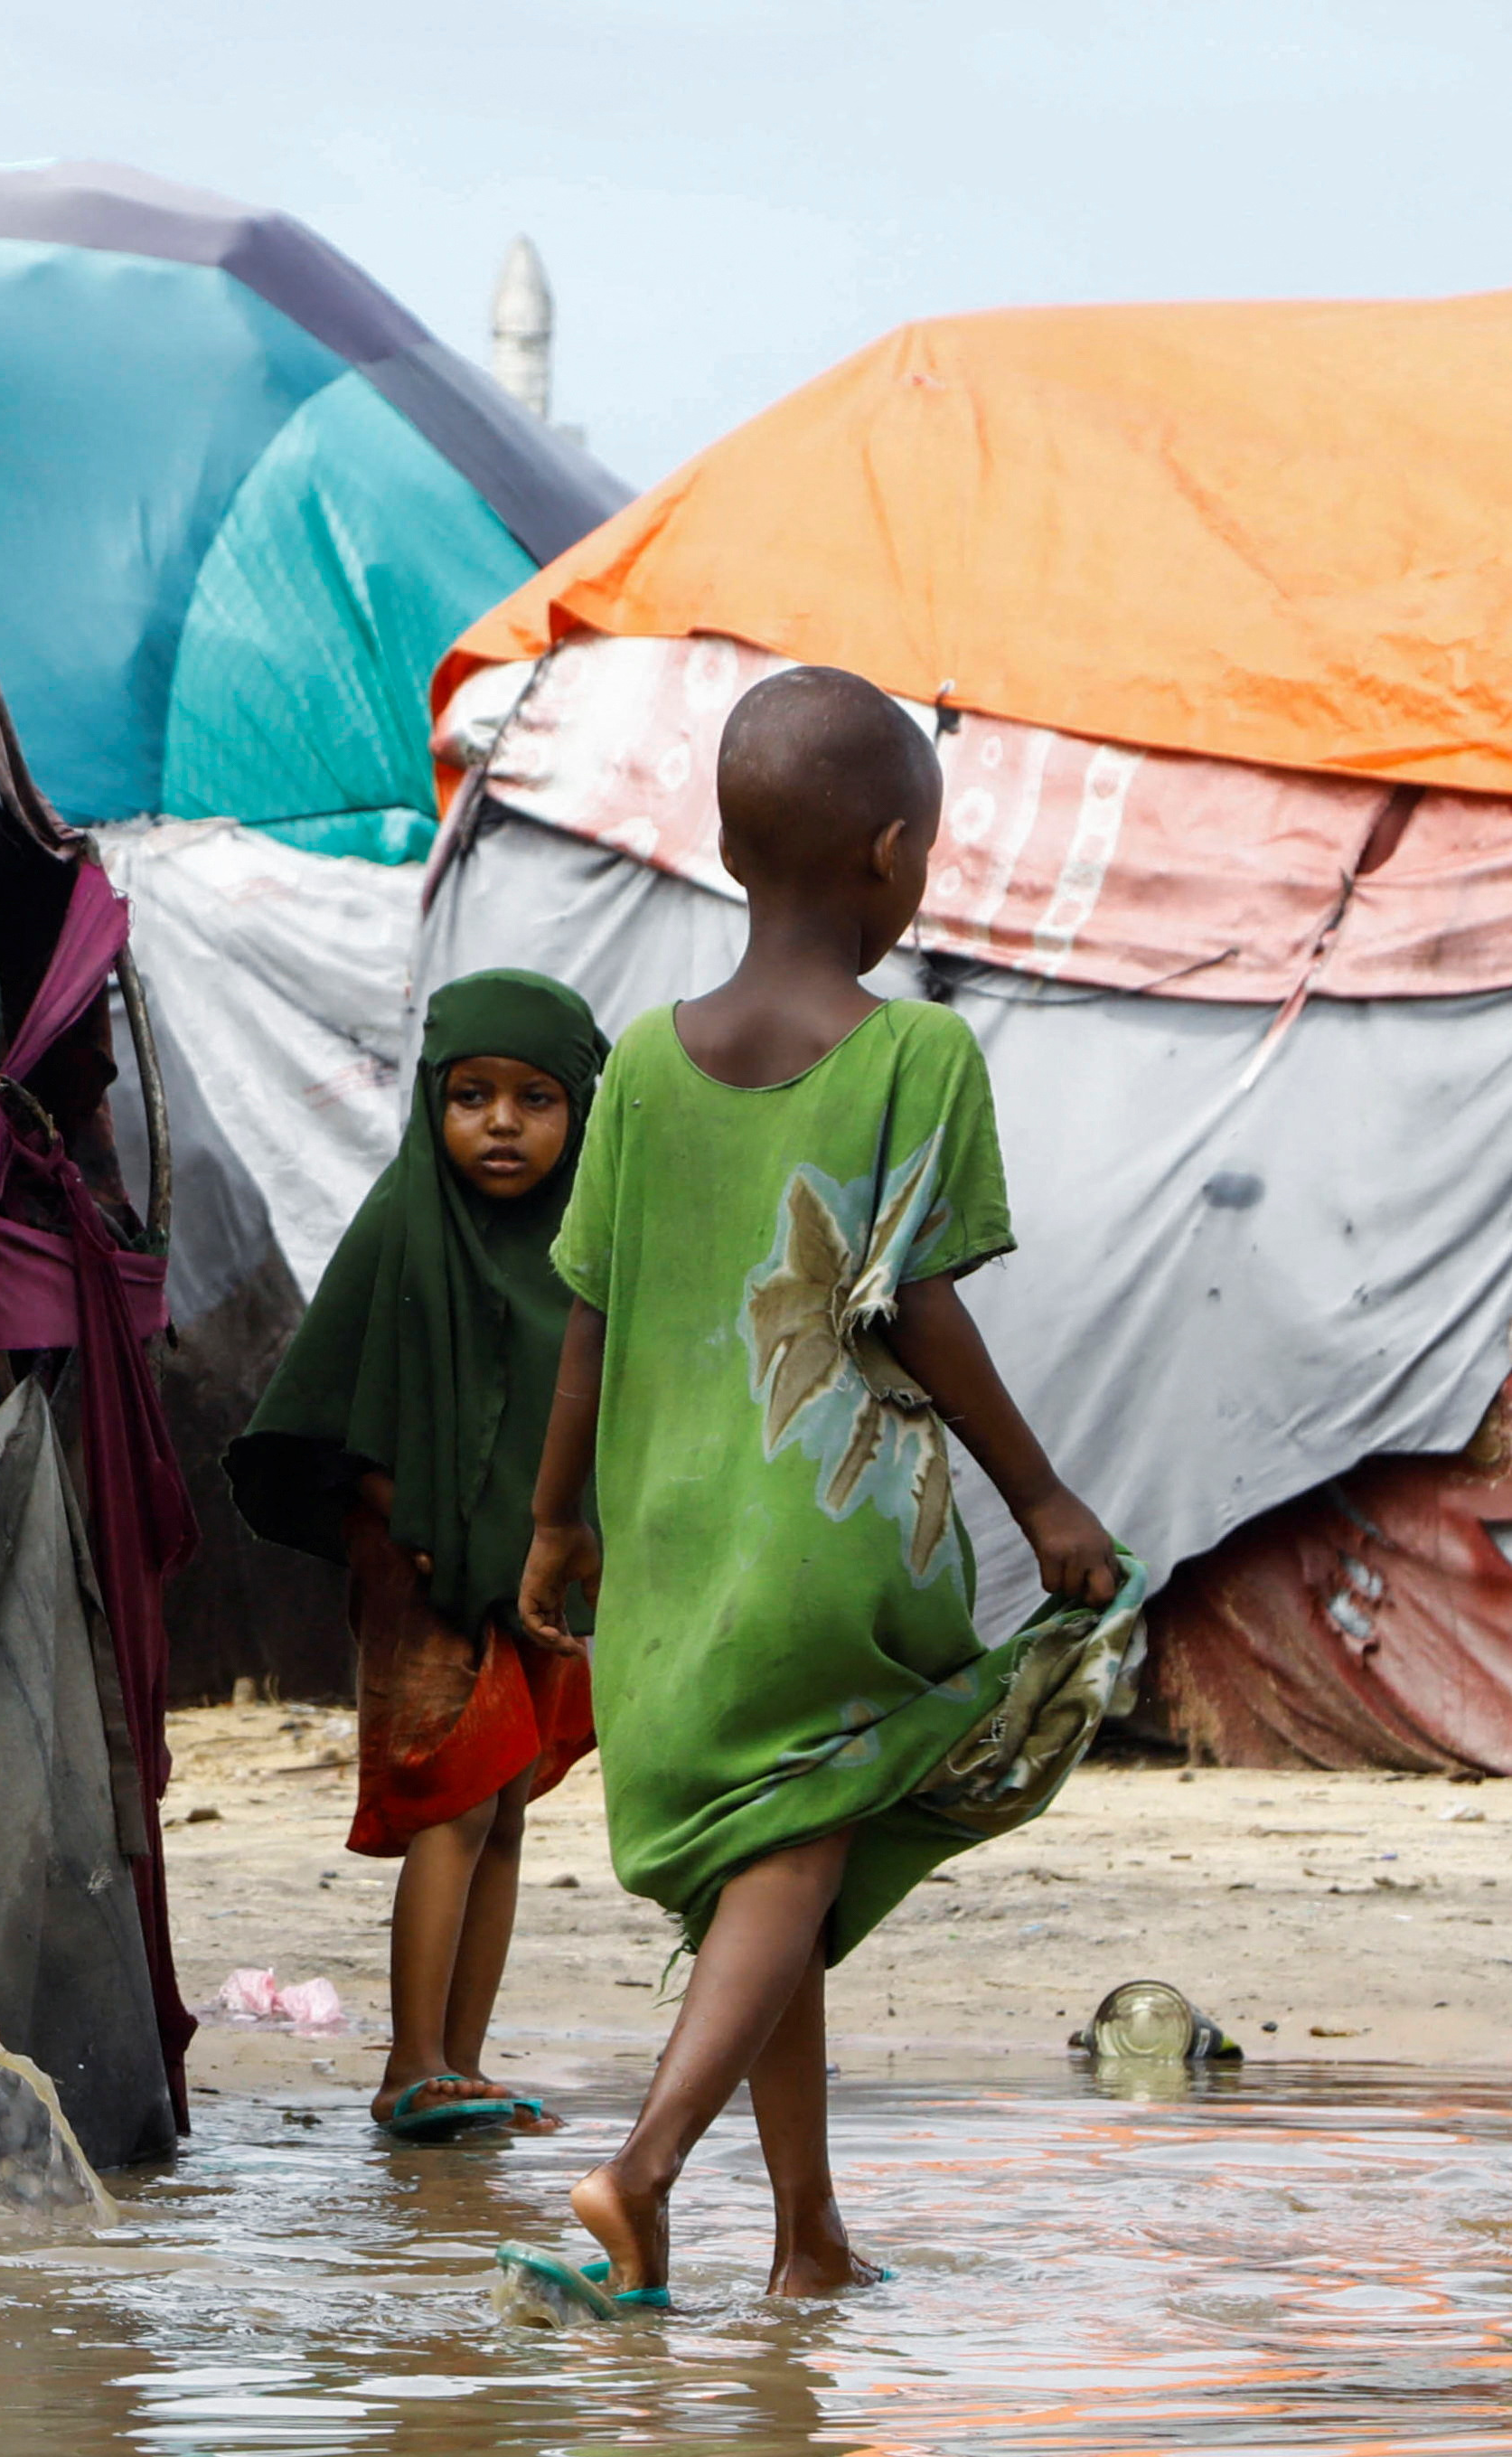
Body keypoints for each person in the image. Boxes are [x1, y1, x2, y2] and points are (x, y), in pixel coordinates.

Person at [508, 664, 1132, 2312]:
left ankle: (807, 2239)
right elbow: (919, 1303)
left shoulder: (635, 1067)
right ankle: (642, 2176)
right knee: (793, 1845)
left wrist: (557, 1520)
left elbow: (590, 1316)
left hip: (670, 1544)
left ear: (726, 850)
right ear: (891, 853)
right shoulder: (915, 1054)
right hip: (830, 1545)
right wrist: (1047, 1500)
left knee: (771, 1855)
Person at [226, 972, 606, 2144]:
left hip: (531, 1582)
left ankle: (464, 2059)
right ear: (432, 1103)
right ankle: (408, 2062)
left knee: (503, 1815)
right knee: (448, 1806)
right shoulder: (403, 1225)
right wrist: (418, 1515)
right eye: (473, 1095)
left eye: (536, 1098)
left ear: (580, 1113)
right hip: (425, 1572)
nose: (501, 1122)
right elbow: (332, 1406)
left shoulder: (585, 1254)